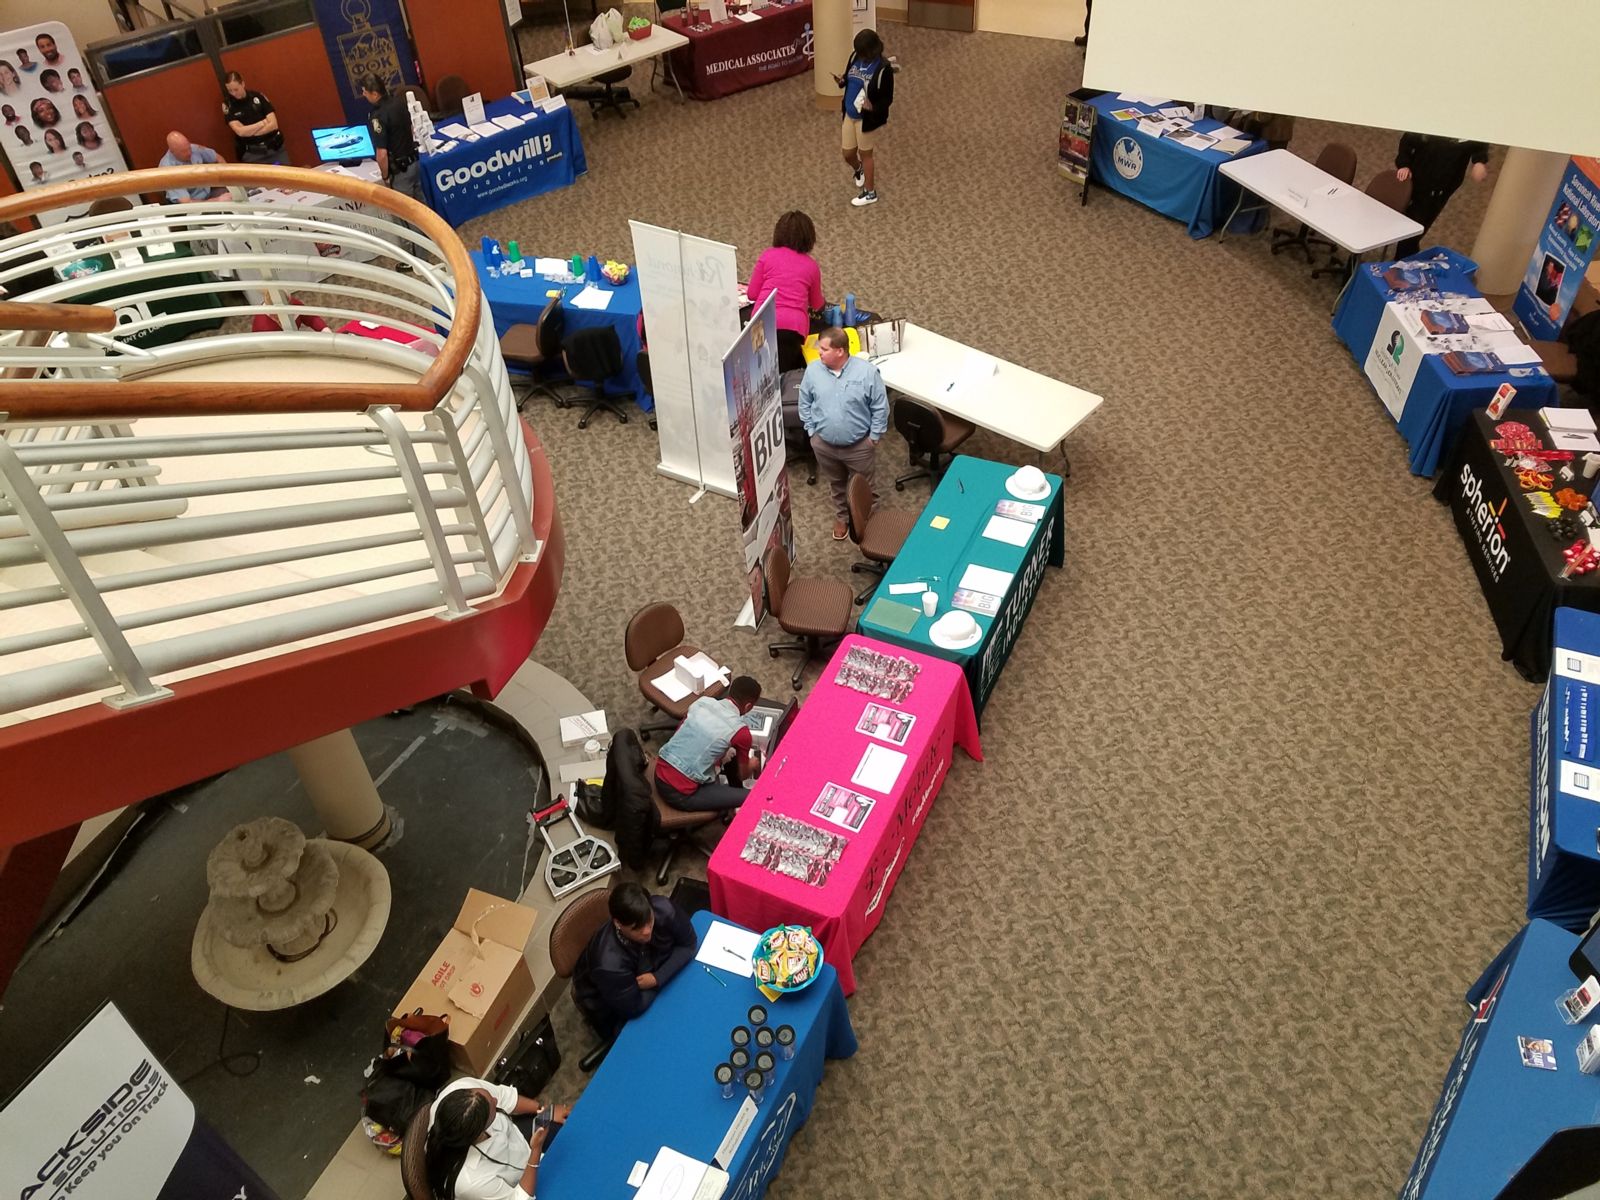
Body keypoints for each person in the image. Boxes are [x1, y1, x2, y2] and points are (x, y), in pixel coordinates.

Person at [572, 883, 697, 1042]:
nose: (646, 931)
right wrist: (666, 972)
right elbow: (634, 1007)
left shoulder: (663, 909)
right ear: (618, 924)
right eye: (636, 928)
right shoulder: (608, 964)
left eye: (649, 920)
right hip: (613, 1006)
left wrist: (657, 978)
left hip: (651, 979)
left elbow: (689, 944)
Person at [798, 326, 887, 539]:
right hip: (824, 445)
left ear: (840, 351)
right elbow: (804, 402)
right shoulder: (813, 371)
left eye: (824, 349)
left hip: (859, 447)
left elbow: (880, 407)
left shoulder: (867, 373)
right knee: (836, 483)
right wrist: (812, 431)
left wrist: (874, 437)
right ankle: (842, 516)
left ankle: (868, 519)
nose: (819, 353)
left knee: (865, 486)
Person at [424, 1077, 570, 1200]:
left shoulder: (462, 1088)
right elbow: (519, 1198)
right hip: (515, 1185)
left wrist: (543, 1110)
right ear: (479, 1131)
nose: (495, 1099)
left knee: (572, 1129)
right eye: (493, 1106)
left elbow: (506, 1097)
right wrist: (536, 1150)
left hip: (520, 1141)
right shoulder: (470, 1180)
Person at [655, 674, 763, 811]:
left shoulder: (703, 702)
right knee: (753, 797)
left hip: (659, 772)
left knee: (729, 753)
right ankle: (724, 814)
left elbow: (681, 733)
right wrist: (752, 764)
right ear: (748, 707)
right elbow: (743, 775)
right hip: (680, 794)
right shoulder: (741, 731)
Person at [747, 211, 824, 373]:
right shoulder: (811, 266)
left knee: (759, 373)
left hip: (761, 321)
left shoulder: (767, 256)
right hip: (792, 328)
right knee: (784, 376)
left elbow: (752, 294)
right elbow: (817, 304)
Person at [1393, 133, 1490, 259]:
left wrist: (1479, 161)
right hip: (1418, 178)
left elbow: (1479, 144)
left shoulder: (1472, 128)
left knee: (1421, 223)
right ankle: (1405, 256)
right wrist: (1404, 164)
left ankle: (1405, 256)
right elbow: (1407, 141)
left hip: (1443, 186)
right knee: (1411, 221)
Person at [833, 28, 893, 208]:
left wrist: (873, 106)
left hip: (865, 118)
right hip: (849, 114)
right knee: (848, 153)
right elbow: (848, 77)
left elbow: (887, 98)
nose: (859, 55)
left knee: (866, 154)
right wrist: (841, 81)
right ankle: (858, 170)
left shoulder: (883, 69)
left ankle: (870, 192)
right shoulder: (854, 58)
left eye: (862, 52)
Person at [361, 74, 422, 205]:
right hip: (414, 163)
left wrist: (385, 177)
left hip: (400, 172)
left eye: (365, 92)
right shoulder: (400, 102)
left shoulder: (377, 116)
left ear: (375, 94)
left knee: (407, 214)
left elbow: (381, 154)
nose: (364, 95)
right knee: (422, 208)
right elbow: (411, 129)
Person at [221, 71, 284, 164]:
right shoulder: (228, 105)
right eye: (230, 91)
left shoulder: (258, 97)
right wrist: (263, 123)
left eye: (236, 89)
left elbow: (274, 124)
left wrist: (250, 131)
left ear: (242, 83)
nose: (233, 93)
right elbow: (240, 132)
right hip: (253, 154)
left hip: (275, 148)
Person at [160, 131, 228, 202]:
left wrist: (228, 181)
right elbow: (187, 202)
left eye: (189, 148)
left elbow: (218, 158)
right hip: (193, 204)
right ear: (172, 151)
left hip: (208, 191)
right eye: (184, 151)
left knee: (234, 197)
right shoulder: (168, 170)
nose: (189, 153)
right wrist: (216, 201)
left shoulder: (194, 148)